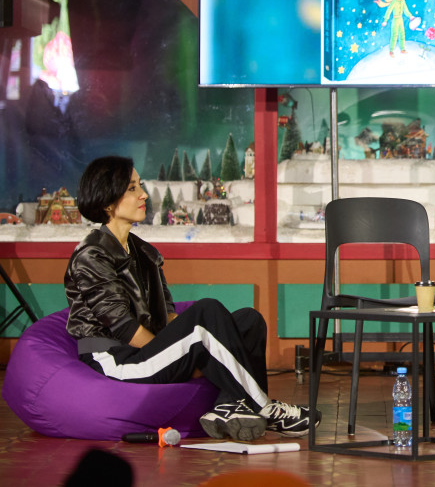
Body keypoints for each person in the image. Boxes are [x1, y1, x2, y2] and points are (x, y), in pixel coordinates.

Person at [64, 156, 319, 441]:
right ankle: (264, 407)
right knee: (206, 311)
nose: (143, 194)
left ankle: (227, 407)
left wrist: (187, 350)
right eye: (132, 188)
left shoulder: (145, 253)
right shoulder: (91, 255)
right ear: (107, 202)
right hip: (119, 360)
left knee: (249, 320)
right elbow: (124, 328)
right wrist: (178, 353)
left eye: (140, 186)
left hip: (148, 351)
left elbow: (169, 317)